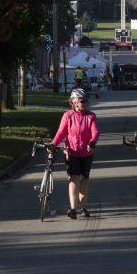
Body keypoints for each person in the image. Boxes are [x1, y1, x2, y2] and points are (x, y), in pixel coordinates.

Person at [51, 88, 100, 219]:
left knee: (84, 180)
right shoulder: (68, 115)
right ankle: (73, 209)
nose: (84, 103)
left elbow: (95, 132)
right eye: (81, 100)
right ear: (74, 102)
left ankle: (84, 207)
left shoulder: (90, 116)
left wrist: (92, 142)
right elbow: (61, 132)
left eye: (85, 101)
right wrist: (53, 144)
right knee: (73, 179)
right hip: (71, 152)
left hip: (87, 153)